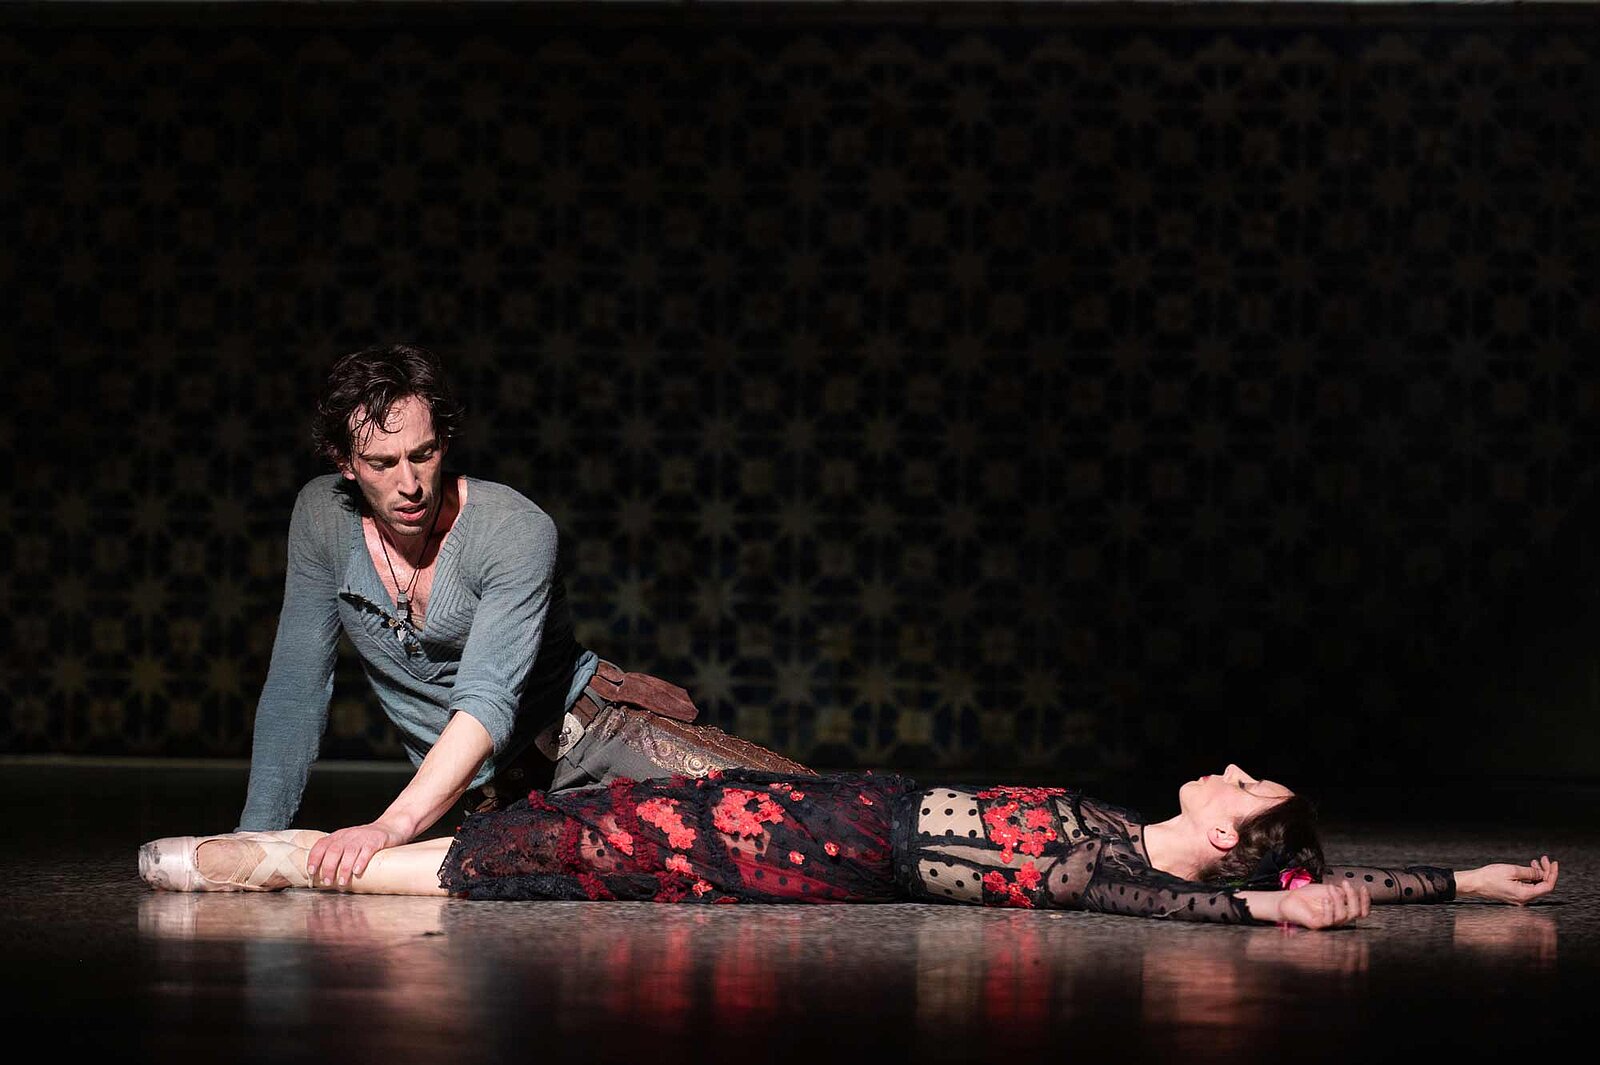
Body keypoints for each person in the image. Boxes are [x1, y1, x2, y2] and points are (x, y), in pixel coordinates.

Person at [240, 343, 807, 891]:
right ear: (344, 462)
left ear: (444, 443)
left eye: (423, 454)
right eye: (381, 463)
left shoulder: (513, 529)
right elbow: (296, 688)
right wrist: (251, 843)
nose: (409, 485)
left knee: (803, 831)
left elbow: (488, 698)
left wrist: (392, 826)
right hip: (498, 800)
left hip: (593, 745)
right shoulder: (322, 519)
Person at [141, 763, 1560, 931]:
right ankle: (283, 855)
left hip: (795, 851)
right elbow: (1311, 876)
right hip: (811, 808)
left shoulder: (1102, 870)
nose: (1232, 770)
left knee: (553, 857)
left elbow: (1170, 912)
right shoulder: (1117, 825)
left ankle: (273, 862)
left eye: (1249, 786)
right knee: (564, 830)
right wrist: (1463, 883)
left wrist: (1264, 918)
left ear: (1234, 838)